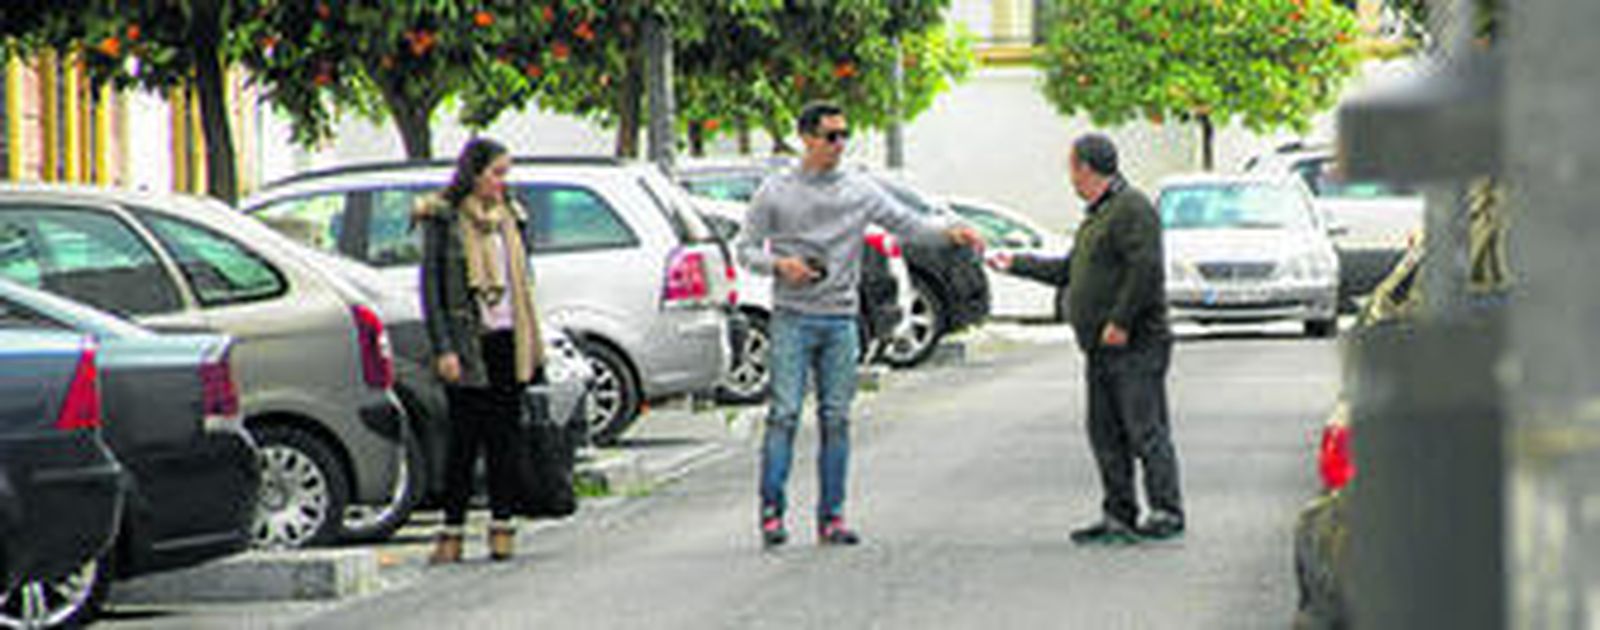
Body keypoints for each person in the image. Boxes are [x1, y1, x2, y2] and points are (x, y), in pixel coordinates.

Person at [737, 101, 985, 547]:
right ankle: (772, 514)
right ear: (806, 138)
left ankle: (831, 517)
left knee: (837, 418)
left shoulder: (858, 189)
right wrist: (781, 266)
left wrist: (951, 231)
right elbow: (746, 250)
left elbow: (907, 223)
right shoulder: (775, 191)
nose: (839, 144)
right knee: (784, 414)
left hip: (840, 319)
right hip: (792, 317)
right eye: (830, 136)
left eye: (843, 135)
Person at [988, 133, 1185, 545]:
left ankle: (1166, 511)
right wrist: (1015, 263)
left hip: (1136, 342)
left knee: (1144, 428)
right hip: (1099, 346)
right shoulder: (1098, 215)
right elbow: (1069, 270)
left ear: (1085, 168)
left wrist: (1122, 321)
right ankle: (1118, 514)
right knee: (1105, 433)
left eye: (1072, 168)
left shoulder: (1132, 208)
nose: (1070, 178)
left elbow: (1146, 270)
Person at [417, 137, 545, 563]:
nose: (502, 182)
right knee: (464, 440)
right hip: (467, 341)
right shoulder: (445, 219)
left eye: (506, 174)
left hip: (509, 336)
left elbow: (525, 279)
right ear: (474, 173)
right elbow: (431, 291)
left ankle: (502, 526)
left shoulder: (512, 218)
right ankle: (452, 531)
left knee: (504, 436)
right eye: (496, 173)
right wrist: (444, 348)